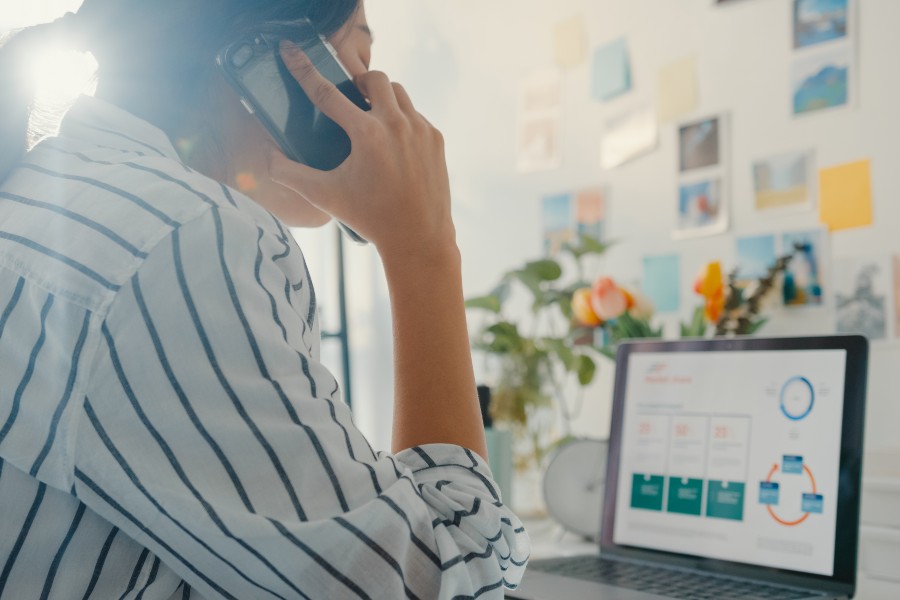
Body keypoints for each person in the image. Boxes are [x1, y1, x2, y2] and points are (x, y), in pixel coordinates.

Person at [0, 0, 530, 598]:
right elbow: (442, 583)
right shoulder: (186, 239)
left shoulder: (66, 197)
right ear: (274, 58)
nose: (383, 98)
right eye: (360, 51)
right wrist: (426, 249)